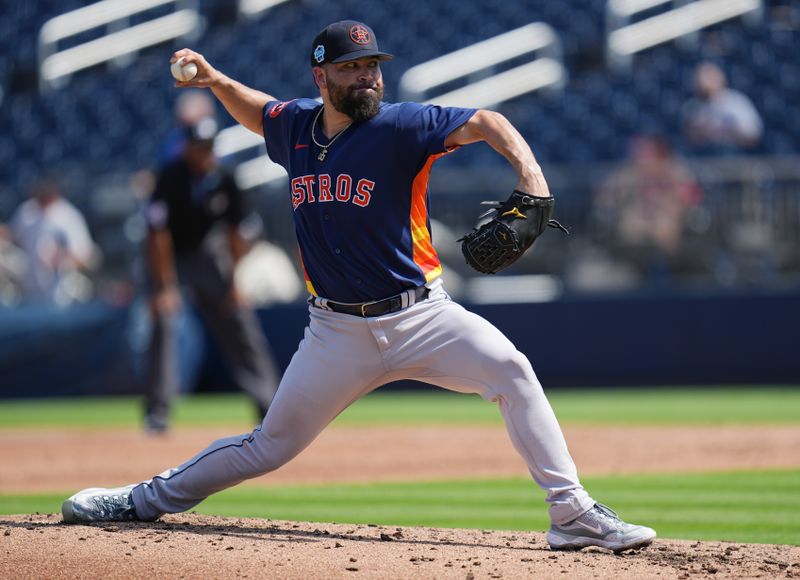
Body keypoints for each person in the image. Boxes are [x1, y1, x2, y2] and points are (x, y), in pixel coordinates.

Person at [62, 20, 656, 552]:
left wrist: (531, 176)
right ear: (322, 77)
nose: (368, 76)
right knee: (270, 444)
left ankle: (571, 513)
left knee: (511, 371)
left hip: (421, 315)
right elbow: (258, 110)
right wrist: (217, 80)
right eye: (353, 68)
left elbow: (487, 122)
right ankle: (140, 501)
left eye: (373, 66)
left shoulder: (402, 125)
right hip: (336, 330)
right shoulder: (295, 126)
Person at [142, 117, 281, 433]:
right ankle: (158, 411)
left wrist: (235, 283)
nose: (205, 154)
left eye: (209, 148)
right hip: (170, 253)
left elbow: (235, 233)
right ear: (186, 149)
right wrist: (164, 287)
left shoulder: (225, 177)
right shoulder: (171, 176)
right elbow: (158, 235)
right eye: (198, 148)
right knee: (163, 322)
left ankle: (269, 406)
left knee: (239, 320)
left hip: (208, 251)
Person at [594, 134, 703, 278]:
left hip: (668, 227)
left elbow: (693, 200)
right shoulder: (629, 173)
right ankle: (635, 268)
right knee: (631, 221)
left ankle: (669, 269)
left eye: (648, 154)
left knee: (664, 224)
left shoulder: (676, 171)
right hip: (636, 229)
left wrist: (669, 199)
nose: (643, 160)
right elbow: (604, 199)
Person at [9, 178, 99, 307]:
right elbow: (13, 236)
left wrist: (62, 257)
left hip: (64, 293)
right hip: (31, 290)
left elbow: (85, 256)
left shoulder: (68, 216)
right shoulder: (27, 211)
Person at [682, 62, 763, 154]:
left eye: (709, 77)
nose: (704, 83)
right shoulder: (692, 107)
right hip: (704, 157)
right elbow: (688, 138)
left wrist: (731, 127)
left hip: (736, 155)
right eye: (701, 78)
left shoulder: (737, 102)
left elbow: (754, 133)